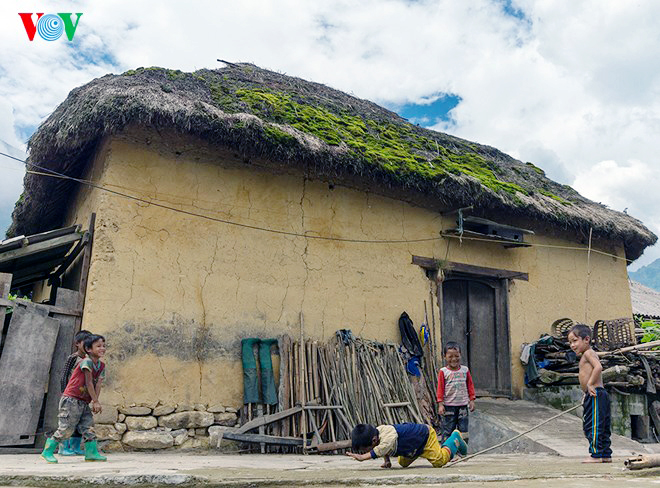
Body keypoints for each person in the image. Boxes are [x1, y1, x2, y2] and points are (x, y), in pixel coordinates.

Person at [40, 334, 107, 463]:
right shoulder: (86, 362)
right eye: (98, 346)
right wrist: (95, 401)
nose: (102, 348)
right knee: (66, 427)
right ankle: (47, 451)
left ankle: (91, 453)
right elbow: (88, 382)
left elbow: (98, 384)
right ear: (88, 349)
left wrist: (95, 401)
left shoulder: (101, 366)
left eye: (104, 346)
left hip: (83, 401)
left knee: (88, 426)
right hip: (71, 399)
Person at [567, 324, 612, 463]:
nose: (572, 345)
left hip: (595, 393)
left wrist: (590, 384)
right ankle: (605, 454)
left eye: (575, 341)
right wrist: (586, 392)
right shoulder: (586, 354)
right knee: (601, 424)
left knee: (593, 425)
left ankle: (596, 455)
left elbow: (598, 367)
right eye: (570, 342)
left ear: (586, 339)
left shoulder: (588, 353)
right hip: (594, 394)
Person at [347, 422, 466, 468]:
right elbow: (382, 448)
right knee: (402, 463)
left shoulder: (387, 438)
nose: (365, 452)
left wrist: (362, 457)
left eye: (366, 449)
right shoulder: (378, 433)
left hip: (425, 437)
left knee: (439, 461)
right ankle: (417, 453)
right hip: (412, 447)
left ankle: (455, 438)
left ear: (373, 440)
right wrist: (387, 461)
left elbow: (381, 448)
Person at [58, 329, 92, 456]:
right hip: (70, 396)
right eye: (85, 343)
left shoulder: (88, 360)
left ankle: (75, 447)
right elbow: (64, 375)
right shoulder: (73, 358)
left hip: (81, 397)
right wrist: (64, 392)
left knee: (78, 422)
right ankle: (63, 448)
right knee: (68, 422)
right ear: (77, 343)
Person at [436, 342, 475, 442]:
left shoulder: (465, 370)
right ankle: (446, 449)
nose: (454, 359)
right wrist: (440, 404)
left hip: (463, 406)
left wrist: (472, 400)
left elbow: (470, 385)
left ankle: (463, 449)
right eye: (450, 356)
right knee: (448, 430)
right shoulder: (443, 371)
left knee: (463, 430)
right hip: (449, 406)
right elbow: (440, 388)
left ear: (460, 355)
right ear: (445, 357)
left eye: (456, 356)